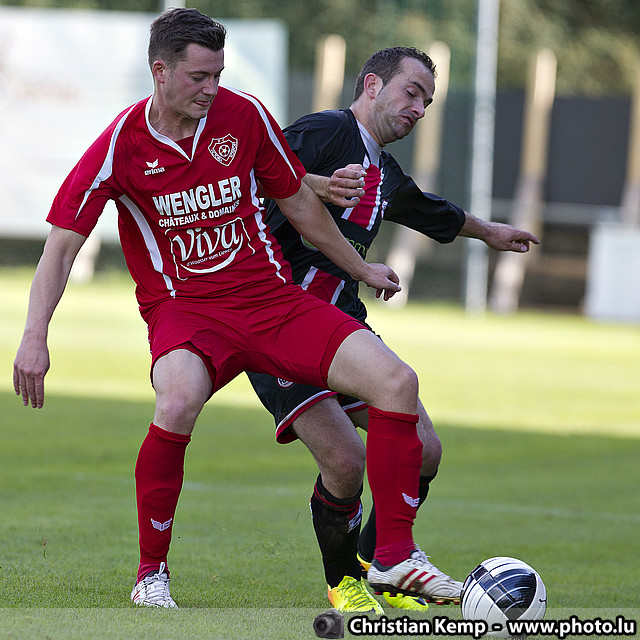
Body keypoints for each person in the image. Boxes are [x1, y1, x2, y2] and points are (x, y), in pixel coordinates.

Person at [11, 9, 472, 610]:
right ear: (160, 71)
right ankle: (151, 574)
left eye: (218, 75)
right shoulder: (121, 145)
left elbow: (299, 203)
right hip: (186, 311)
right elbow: (62, 246)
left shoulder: (244, 114)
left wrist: (360, 270)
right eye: (199, 77)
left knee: (397, 382)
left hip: (271, 300)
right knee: (177, 401)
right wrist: (34, 335)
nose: (212, 89)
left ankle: (392, 557)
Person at [247, 47, 540, 613]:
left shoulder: (382, 169)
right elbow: (255, 172)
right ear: (372, 85)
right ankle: (345, 585)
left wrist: (489, 232)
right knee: (345, 462)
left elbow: (429, 210)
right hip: (279, 324)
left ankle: (381, 562)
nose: (419, 108)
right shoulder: (326, 131)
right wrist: (316, 184)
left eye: (427, 101)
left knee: (424, 451)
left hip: (342, 326)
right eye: (411, 92)